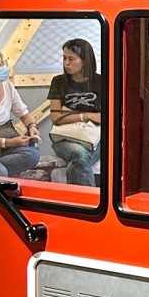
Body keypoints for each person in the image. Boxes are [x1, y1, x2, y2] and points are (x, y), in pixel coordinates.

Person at [48, 38, 102, 186]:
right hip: (65, 137)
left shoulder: (101, 82)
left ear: (85, 60)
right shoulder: (58, 82)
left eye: (71, 59)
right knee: (80, 155)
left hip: (94, 136)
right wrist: (86, 116)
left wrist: (69, 115)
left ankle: (81, 196)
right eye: (64, 58)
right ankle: (90, 198)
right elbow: (56, 117)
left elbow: (107, 117)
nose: (66, 63)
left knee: (79, 162)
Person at [0, 50, 41, 178]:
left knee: (33, 155)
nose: (3, 67)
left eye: (3, 63)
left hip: (5, 143)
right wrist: (9, 142)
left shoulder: (8, 87)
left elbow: (24, 114)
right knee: (0, 172)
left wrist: (32, 127)